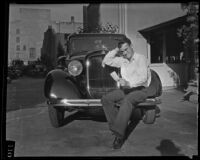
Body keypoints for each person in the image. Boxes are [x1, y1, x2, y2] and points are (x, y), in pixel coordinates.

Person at [101, 37, 161, 149]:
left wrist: (129, 83)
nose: (124, 52)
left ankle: (119, 135)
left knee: (127, 100)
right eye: (122, 51)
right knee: (106, 99)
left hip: (141, 90)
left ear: (131, 46)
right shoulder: (122, 60)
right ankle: (117, 126)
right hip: (127, 89)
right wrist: (116, 49)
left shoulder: (141, 58)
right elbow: (106, 60)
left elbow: (143, 78)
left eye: (126, 49)